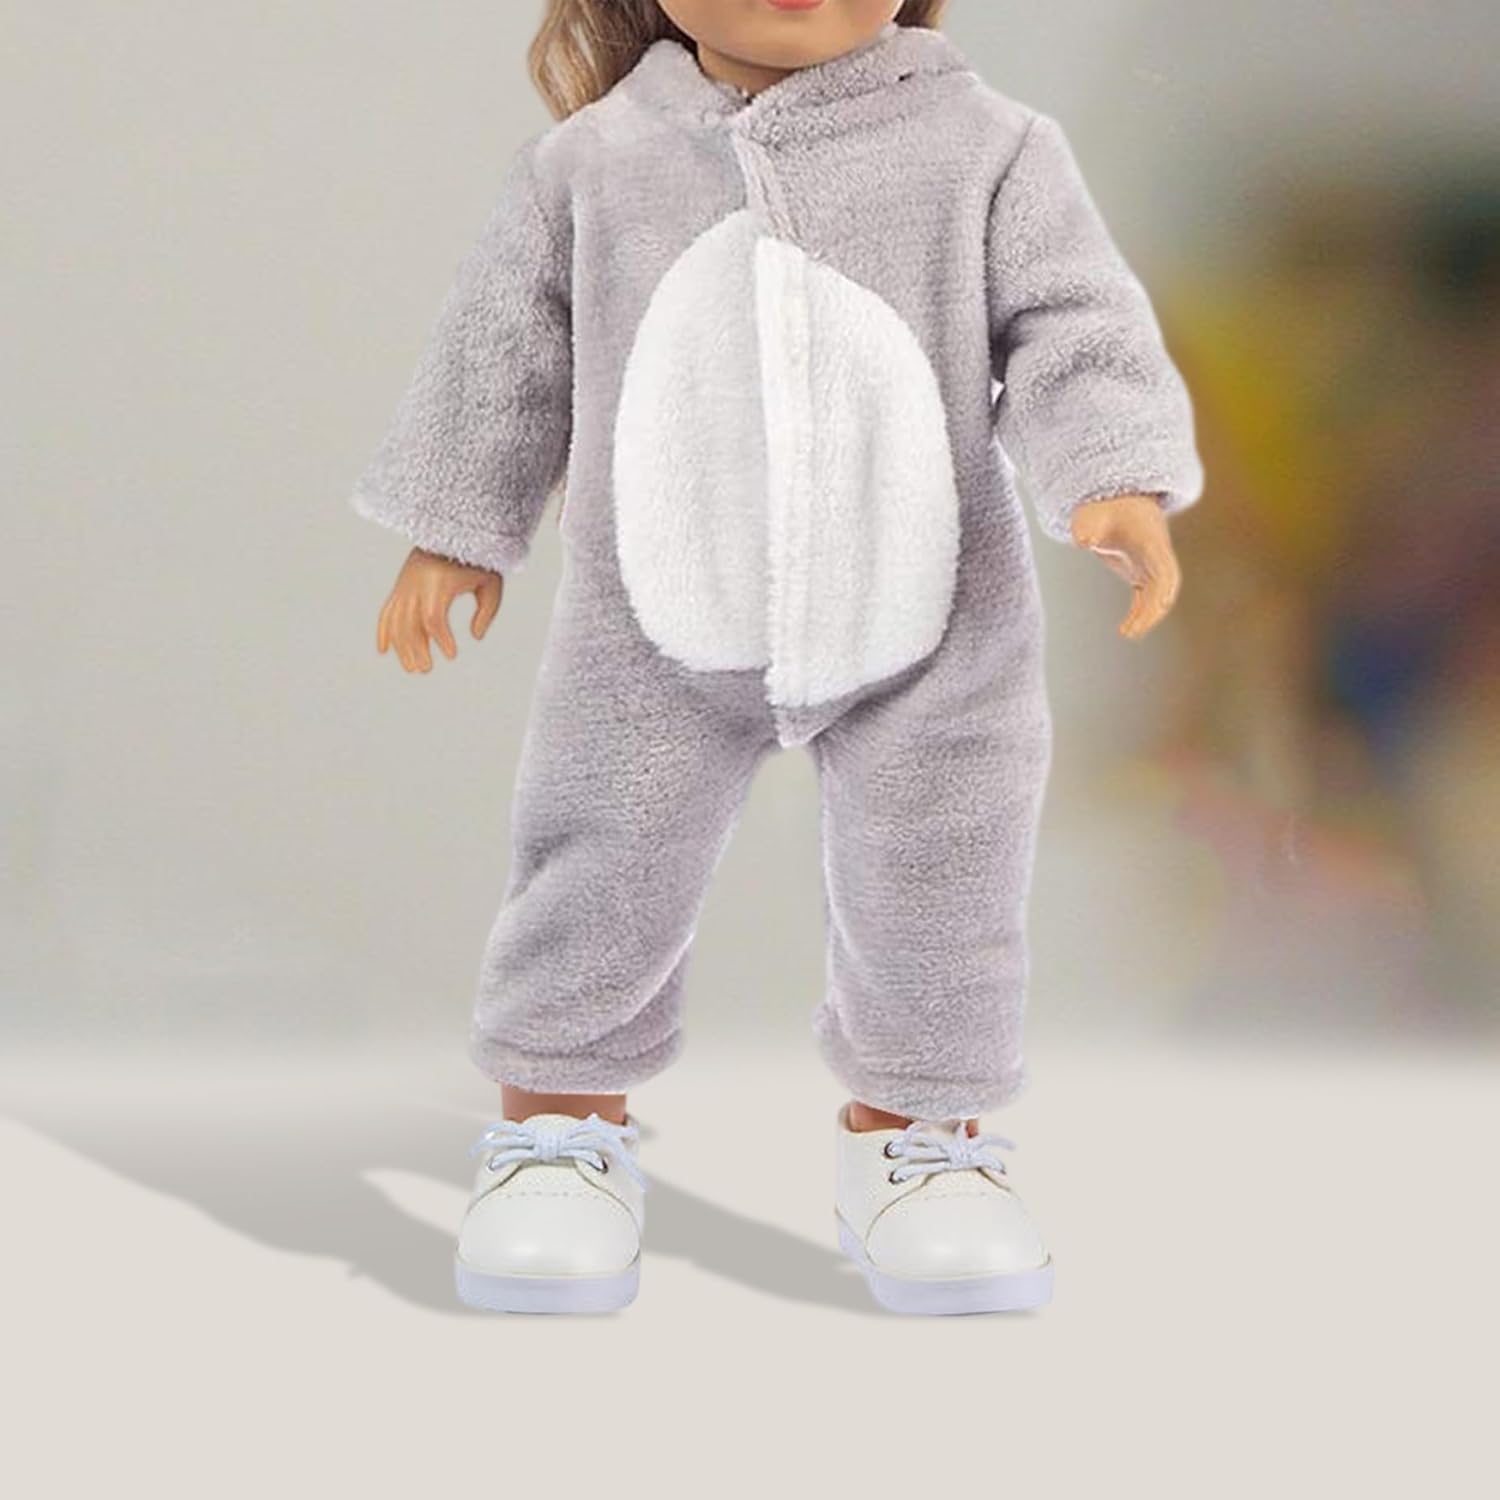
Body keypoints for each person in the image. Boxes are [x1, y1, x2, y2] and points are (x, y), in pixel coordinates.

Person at [349, 0, 1203, 1315]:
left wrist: (1112, 477)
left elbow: (1071, 326)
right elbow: (503, 355)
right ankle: (559, 1124)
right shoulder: (590, 164)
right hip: (652, 611)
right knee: (596, 857)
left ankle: (921, 1137)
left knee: (945, 878)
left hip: (930, 606)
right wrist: (454, 530)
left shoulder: (987, 147)